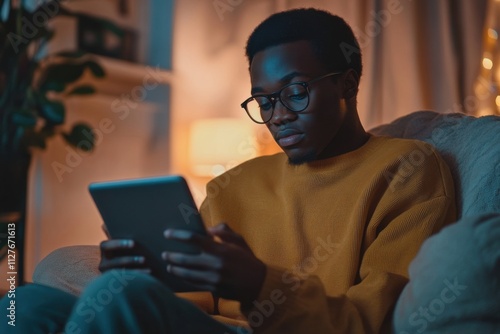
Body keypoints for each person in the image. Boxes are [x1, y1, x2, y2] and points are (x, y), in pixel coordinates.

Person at [1, 8, 456, 334]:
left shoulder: (407, 169)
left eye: (296, 92)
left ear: (348, 82)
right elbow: (200, 301)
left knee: (121, 295)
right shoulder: (234, 184)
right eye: (264, 100)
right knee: (30, 298)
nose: (278, 115)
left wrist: (258, 283)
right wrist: (154, 273)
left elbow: (371, 320)